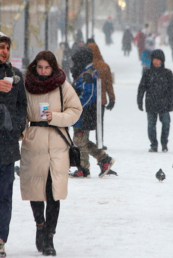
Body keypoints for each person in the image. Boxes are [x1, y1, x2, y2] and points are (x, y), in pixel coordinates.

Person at [20, 51, 82, 256]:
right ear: (34, 67)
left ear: (53, 67)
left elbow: (75, 110)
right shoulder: (27, 85)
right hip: (34, 142)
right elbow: (20, 112)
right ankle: (40, 224)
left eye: (47, 68)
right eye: (40, 67)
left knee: (53, 192)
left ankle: (50, 237)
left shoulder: (62, 85)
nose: (43, 71)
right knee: (35, 190)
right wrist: (21, 133)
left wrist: (55, 116)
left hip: (57, 142)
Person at [69, 47, 116, 178]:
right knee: (82, 140)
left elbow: (89, 94)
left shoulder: (87, 74)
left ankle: (84, 169)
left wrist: (76, 106)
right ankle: (104, 159)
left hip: (83, 114)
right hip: (84, 114)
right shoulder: (87, 72)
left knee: (79, 140)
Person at [0, 32, 27, 258]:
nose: (4, 51)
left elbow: (21, 106)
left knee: (5, 195)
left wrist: (16, 128)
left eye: (7, 47)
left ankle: (0, 240)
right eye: (0, 47)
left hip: (7, 147)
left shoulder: (15, 76)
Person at [137, 49, 173, 152]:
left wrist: (172, 104)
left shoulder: (167, 73)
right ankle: (154, 144)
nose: (156, 61)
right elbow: (142, 87)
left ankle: (164, 144)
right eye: (154, 59)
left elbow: (172, 90)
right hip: (151, 103)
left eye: (158, 60)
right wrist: (139, 100)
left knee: (166, 123)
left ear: (162, 61)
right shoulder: (147, 72)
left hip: (164, 104)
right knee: (151, 126)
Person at [87, 42, 115, 150]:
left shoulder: (86, 66)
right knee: (99, 122)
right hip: (101, 100)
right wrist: (112, 99)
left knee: (86, 123)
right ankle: (100, 142)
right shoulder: (105, 66)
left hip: (88, 99)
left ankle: (85, 142)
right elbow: (109, 85)